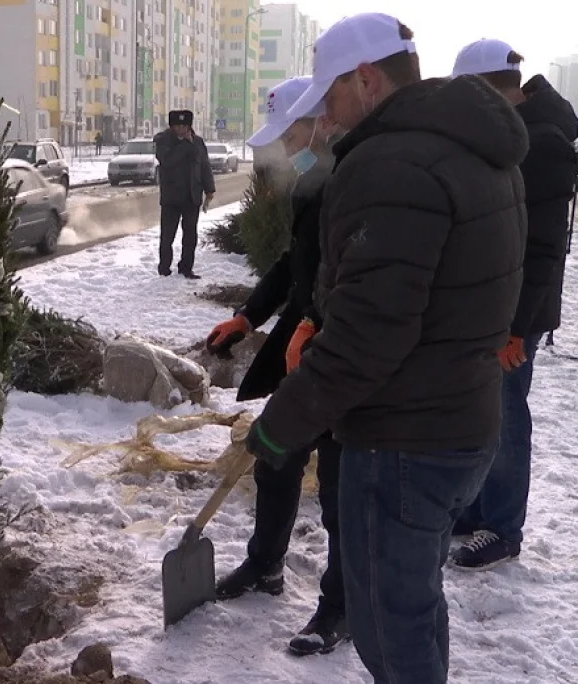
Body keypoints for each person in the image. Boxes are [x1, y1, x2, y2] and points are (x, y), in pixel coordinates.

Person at [243, 14, 527, 683]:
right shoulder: (476, 148)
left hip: (405, 438)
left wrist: (282, 425)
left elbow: (372, 332)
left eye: (332, 97)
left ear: (366, 78)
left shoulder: (392, 163)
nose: (330, 117)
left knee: (390, 627)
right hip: (462, 421)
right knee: (416, 607)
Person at [205, 76, 348, 657]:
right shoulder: (311, 180)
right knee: (276, 456)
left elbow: (353, 271)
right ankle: (265, 567)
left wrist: (318, 322)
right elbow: (298, 261)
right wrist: (248, 315)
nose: (284, 149)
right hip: (304, 344)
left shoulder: (353, 176)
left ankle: (340, 607)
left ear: (318, 119)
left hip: (343, 350)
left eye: (290, 133)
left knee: (340, 484)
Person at [449, 40, 578, 570]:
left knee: (505, 415)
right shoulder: (516, 133)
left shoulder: (543, 144)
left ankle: (502, 526)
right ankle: (478, 508)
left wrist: (517, 330)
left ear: (487, 90)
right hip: (493, 308)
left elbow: (545, 247)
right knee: (485, 413)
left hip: (515, 315)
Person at [153, 109, 215, 278]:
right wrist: (185, 145)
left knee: (190, 236)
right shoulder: (163, 141)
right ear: (172, 126)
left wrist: (209, 189)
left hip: (192, 196)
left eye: (184, 125)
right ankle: (164, 268)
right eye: (177, 126)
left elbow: (204, 167)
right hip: (171, 198)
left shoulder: (198, 142)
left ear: (189, 126)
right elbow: (168, 161)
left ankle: (186, 268)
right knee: (167, 236)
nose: (181, 129)